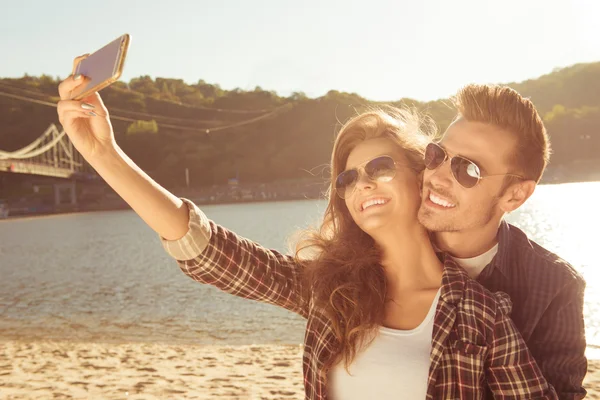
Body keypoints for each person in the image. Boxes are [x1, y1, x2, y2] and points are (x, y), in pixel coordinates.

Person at [57, 64, 557, 399]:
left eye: (380, 166)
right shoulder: (331, 291)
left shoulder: (480, 313)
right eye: (348, 177)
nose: (362, 184)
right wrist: (104, 154)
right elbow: (211, 251)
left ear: (417, 174)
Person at [417, 84, 587, 399]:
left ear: (514, 195)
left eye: (467, 169)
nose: (437, 177)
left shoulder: (555, 286)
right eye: (437, 154)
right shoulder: (385, 247)